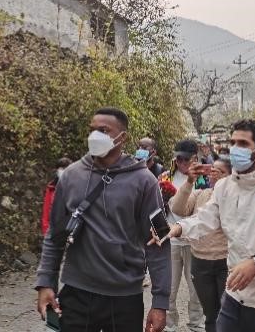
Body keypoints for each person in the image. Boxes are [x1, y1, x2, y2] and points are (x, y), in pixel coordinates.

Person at [154, 119, 255, 332]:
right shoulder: (225, 187)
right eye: (233, 142)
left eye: (243, 144)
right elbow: (206, 218)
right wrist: (178, 228)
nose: (236, 149)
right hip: (235, 297)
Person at [36, 107, 171, 332]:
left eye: (103, 130)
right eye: (92, 130)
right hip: (77, 292)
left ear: (122, 137)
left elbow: (159, 242)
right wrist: (45, 282)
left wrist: (160, 302)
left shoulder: (144, 182)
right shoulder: (71, 176)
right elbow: (55, 235)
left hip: (124, 296)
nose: (94, 136)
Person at [170, 158, 231, 332]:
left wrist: (224, 186)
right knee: (210, 314)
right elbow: (178, 208)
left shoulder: (235, 197)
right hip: (200, 262)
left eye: (221, 172)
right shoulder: (200, 194)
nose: (214, 174)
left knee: (226, 313)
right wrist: (190, 181)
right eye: (212, 170)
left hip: (225, 262)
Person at [160, 139, 205, 332]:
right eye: (178, 159)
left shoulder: (204, 179)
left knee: (195, 288)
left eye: (186, 159)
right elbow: (158, 207)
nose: (181, 163)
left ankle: (196, 324)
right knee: (169, 287)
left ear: (195, 158)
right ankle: (169, 324)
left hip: (195, 241)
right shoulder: (166, 177)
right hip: (172, 241)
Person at [41, 157, 72, 236]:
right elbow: (46, 212)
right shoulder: (51, 188)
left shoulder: (76, 188)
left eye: (67, 168)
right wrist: (46, 232)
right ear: (57, 170)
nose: (64, 171)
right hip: (54, 231)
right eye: (62, 168)